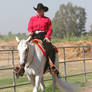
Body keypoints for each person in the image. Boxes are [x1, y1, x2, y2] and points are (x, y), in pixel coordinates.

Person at [28, 3, 57, 73]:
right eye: (38, 10)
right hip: (33, 35)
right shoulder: (32, 18)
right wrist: (30, 32)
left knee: (51, 49)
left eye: (40, 10)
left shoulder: (47, 19)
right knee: (24, 48)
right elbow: (29, 27)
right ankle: (22, 66)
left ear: (43, 10)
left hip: (43, 36)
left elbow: (50, 29)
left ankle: (51, 66)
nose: (39, 11)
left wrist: (47, 37)